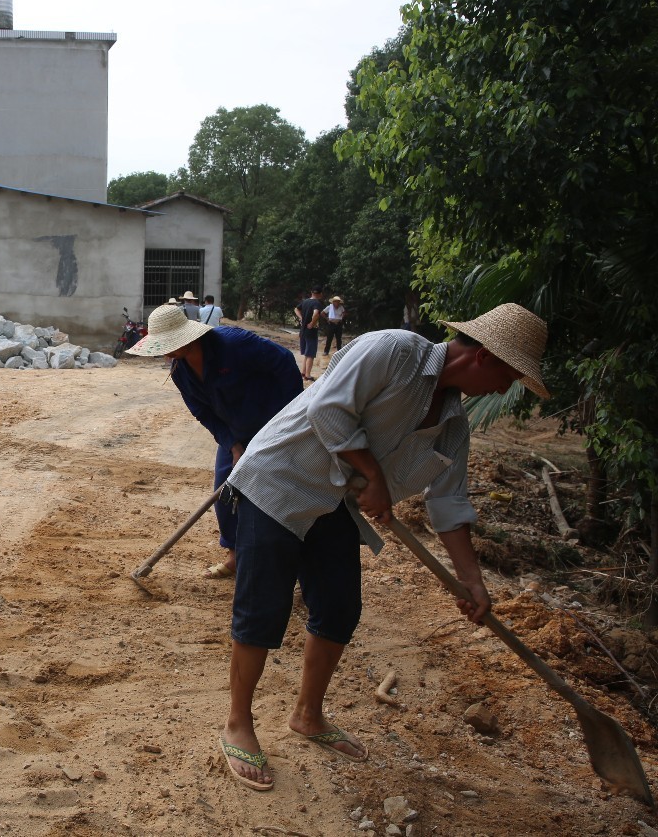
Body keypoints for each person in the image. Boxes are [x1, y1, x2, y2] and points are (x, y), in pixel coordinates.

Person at [216, 303, 549, 792]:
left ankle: (308, 715)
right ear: (484, 358)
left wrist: (472, 580)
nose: (504, 390)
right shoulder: (392, 350)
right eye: (510, 377)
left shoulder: (454, 426)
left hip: (333, 503)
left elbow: (450, 501)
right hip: (279, 482)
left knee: (338, 607)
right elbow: (327, 407)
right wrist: (373, 476)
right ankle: (238, 722)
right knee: (262, 608)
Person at [126, 304, 302, 580]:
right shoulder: (180, 372)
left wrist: (289, 417)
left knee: (279, 494)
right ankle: (235, 556)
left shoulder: (234, 344)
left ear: (188, 337)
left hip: (276, 426)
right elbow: (203, 412)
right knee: (225, 493)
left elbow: (285, 363)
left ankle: (301, 571)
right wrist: (233, 445)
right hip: (236, 431)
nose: (166, 352)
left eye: (169, 344)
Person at [294, 287, 325, 381]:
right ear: (320, 294)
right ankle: (307, 375)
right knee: (311, 354)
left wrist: (301, 318)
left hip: (303, 331)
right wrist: (312, 323)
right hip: (311, 332)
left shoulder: (305, 302)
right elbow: (316, 313)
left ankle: (303, 372)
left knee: (307, 354)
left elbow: (296, 309)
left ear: (311, 293)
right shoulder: (317, 303)